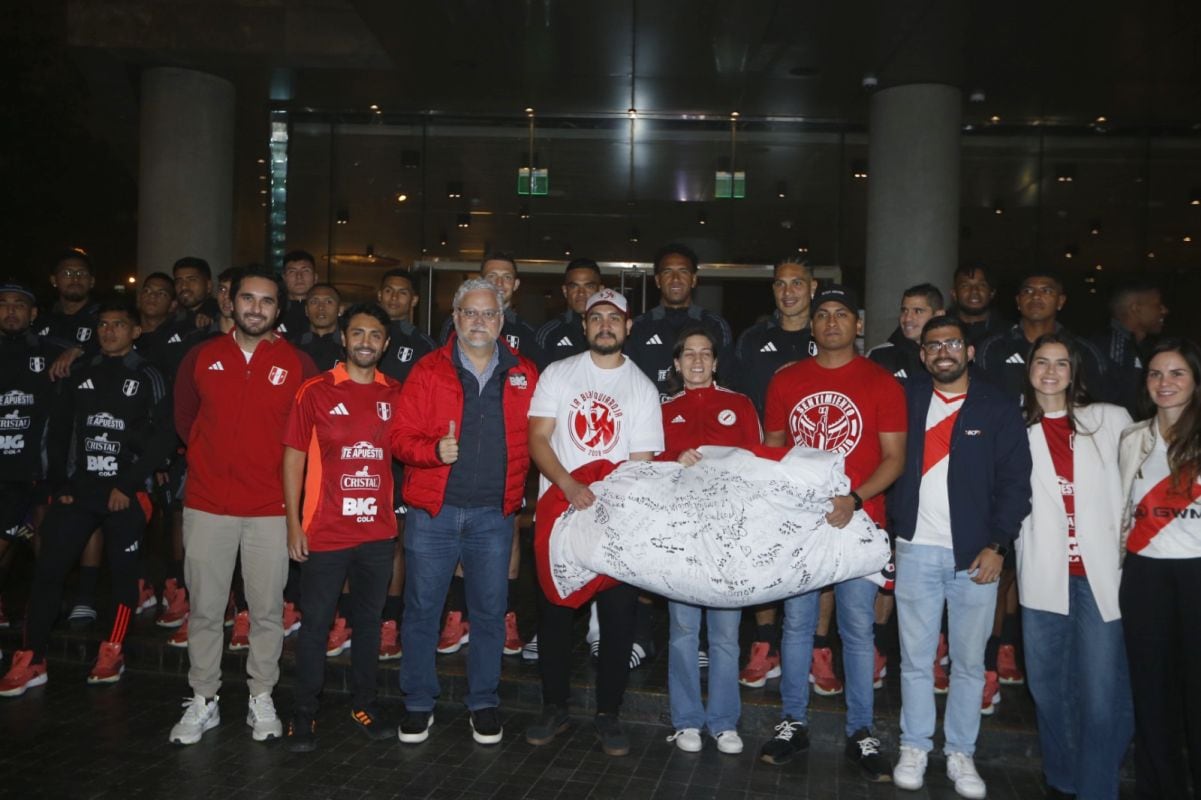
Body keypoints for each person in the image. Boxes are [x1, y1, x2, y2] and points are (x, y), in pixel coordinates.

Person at [759, 284, 905, 781]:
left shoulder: (882, 382)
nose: (832, 322)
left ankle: (861, 732)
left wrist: (855, 499)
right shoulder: (788, 380)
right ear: (813, 325)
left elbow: (895, 457)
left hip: (860, 521)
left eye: (842, 314)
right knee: (798, 625)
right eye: (823, 315)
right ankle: (792, 722)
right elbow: (773, 450)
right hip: (803, 524)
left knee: (857, 630)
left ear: (858, 325)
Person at [167, 265, 316, 745]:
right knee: (207, 609)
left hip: (271, 509)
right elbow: (185, 420)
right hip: (208, 504)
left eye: (267, 301)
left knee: (268, 610)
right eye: (247, 299)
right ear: (230, 303)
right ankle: (204, 698)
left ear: (279, 308)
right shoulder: (200, 356)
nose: (256, 308)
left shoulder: (299, 364)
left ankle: (261, 696)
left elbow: (308, 437)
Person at [888, 317, 1032, 798]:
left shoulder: (996, 405)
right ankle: (914, 745)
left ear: (969, 352)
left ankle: (960, 753)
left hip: (977, 557)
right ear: (923, 354)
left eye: (952, 343)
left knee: (970, 663)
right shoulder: (906, 399)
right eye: (933, 345)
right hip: (915, 549)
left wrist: (998, 545)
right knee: (914, 660)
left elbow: (1016, 482)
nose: (943, 352)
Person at [391, 278, 537, 746]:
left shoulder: (524, 374)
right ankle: (417, 703)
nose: (479, 322)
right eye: (470, 313)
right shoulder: (428, 371)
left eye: (488, 314)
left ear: (502, 320)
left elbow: (544, 438)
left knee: (491, 613)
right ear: (455, 318)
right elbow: (397, 438)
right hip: (433, 513)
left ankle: (483, 702)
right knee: (421, 611)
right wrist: (433, 449)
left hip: (494, 517)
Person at [0, 300, 174, 695]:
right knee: (48, 570)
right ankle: (33, 658)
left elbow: (164, 438)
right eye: (103, 325)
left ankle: (112, 649)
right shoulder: (79, 371)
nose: (109, 331)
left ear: (135, 332)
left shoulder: (150, 375)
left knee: (123, 578)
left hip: (126, 494)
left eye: (118, 325)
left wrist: (126, 486)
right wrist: (60, 486)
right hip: (80, 491)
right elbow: (60, 430)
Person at [524, 288, 663, 756]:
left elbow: (641, 464)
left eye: (614, 319)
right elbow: (539, 438)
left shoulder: (642, 387)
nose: (605, 325)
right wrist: (566, 485)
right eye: (596, 318)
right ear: (583, 326)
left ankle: (609, 712)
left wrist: (606, 506)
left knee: (620, 620)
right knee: (557, 614)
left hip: (615, 523)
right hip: (560, 516)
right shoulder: (558, 373)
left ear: (628, 327)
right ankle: (554, 705)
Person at [1017, 333, 1133, 800]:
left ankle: (1096, 787)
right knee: (1047, 689)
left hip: (1101, 574)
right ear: (1028, 370)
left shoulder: (1109, 420)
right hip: (1045, 574)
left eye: (1061, 363)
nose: (1050, 372)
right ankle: (1064, 780)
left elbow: (1138, 485)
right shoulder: (1014, 428)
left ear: (1074, 371)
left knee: (1102, 694)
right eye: (1041, 362)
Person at [281, 303, 402, 751]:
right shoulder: (314, 390)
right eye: (358, 333)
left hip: (376, 534)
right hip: (325, 532)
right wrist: (294, 523)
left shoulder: (396, 393)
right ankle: (304, 713)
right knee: (315, 626)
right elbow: (292, 458)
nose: (366, 341)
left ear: (386, 344)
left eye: (375, 335)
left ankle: (363, 704)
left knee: (369, 623)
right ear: (344, 339)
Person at [658, 324, 760, 756]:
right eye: (689, 354)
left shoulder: (738, 404)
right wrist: (672, 460)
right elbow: (647, 467)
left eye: (705, 354)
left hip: (727, 537)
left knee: (724, 634)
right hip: (681, 535)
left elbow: (758, 466)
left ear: (716, 362)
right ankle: (686, 721)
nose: (697, 361)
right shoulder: (663, 410)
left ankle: (723, 721)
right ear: (677, 365)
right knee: (682, 631)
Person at [435, 253, 543, 657]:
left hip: (507, 461)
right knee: (459, 533)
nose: (499, 281)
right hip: (457, 460)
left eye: (507, 277)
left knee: (508, 534)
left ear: (515, 287)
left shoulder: (529, 335)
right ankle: (457, 613)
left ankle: (506, 615)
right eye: (491, 275)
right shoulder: (456, 326)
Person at [1118, 337, 1201, 799]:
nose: (1164, 383)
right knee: (1152, 696)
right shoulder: (1134, 437)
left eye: (1176, 373)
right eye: (1155, 374)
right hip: (1145, 576)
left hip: (1197, 576)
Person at [729, 257, 816, 689]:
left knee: (818, 554)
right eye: (780, 284)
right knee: (763, 551)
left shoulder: (828, 336)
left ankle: (818, 646)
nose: (788, 292)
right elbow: (738, 405)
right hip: (764, 466)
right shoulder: (753, 340)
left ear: (812, 287)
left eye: (797, 283)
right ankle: (765, 643)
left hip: (817, 470)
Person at [375, 268, 436, 659]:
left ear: (414, 300)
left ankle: (389, 624)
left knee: (395, 540)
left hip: (401, 457)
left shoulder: (425, 346)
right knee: (352, 537)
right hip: (355, 456)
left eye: (403, 293)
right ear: (379, 294)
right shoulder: (360, 334)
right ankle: (349, 618)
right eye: (389, 291)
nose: (395, 298)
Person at [0, 282, 63, 626]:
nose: (11, 311)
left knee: (42, 539)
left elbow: (100, 350)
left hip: (33, 468)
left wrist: (75, 353)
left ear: (34, 313)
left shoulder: (52, 351)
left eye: (19, 305)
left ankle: (40, 610)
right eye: (4, 304)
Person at [625, 243, 734, 400]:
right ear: (657, 280)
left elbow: (726, 381)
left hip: (700, 420)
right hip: (651, 420)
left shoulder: (714, 325)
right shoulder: (639, 327)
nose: (675, 279)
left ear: (694, 279)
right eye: (667, 272)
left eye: (683, 271)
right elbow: (627, 382)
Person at [1090, 281, 1169, 417]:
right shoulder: (1110, 349)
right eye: (1157, 305)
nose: (1164, 310)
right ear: (1136, 308)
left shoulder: (1144, 347)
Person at [867, 284, 944, 383]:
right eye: (904, 310)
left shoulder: (953, 354)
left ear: (938, 315)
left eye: (918, 311)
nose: (907, 318)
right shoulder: (879, 356)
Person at [535, 258, 602, 365]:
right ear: (565, 291)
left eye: (589, 286)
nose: (581, 293)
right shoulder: (549, 334)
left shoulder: (613, 331)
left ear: (600, 290)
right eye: (574, 286)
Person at [949, 266, 1007, 346]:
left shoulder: (1009, 333)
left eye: (982, 285)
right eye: (965, 286)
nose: (974, 291)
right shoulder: (941, 329)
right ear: (954, 294)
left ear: (992, 293)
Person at [294, 283, 343, 371]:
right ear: (306, 310)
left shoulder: (349, 346)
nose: (321, 307)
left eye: (328, 302)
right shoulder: (293, 346)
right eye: (314, 302)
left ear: (340, 309)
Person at [278, 250, 318, 340]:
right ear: (284, 277)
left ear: (315, 277)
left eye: (305, 271)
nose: (299, 276)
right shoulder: (274, 310)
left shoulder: (327, 310)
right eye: (292, 272)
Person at [172, 256, 219, 329]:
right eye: (178, 281)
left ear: (208, 286)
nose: (184, 286)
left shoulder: (220, 317)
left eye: (192, 280)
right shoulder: (173, 320)